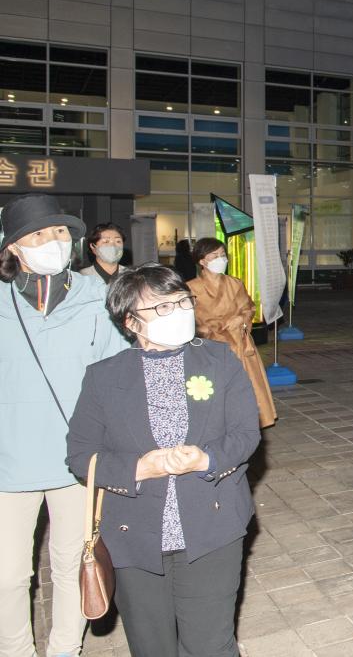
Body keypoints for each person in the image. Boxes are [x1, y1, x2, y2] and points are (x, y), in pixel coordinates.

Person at [66, 263, 260, 657]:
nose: (180, 311)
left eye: (182, 301)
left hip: (212, 528)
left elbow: (245, 434)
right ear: (131, 321)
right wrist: (140, 469)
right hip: (133, 535)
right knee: (151, 646)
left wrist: (206, 458)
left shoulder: (220, 361)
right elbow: (80, 454)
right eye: (163, 307)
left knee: (210, 643)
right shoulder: (104, 377)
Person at [0, 193, 128, 657]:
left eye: (60, 232)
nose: (54, 242)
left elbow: (120, 376)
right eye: (40, 234)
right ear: (15, 247)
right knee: (9, 574)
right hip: (9, 463)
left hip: (79, 461)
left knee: (75, 562)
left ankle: (64, 649)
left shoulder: (98, 298)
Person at [187, 238, 277, 428]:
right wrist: (204, 329)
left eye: (222, 255)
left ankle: (245, 422)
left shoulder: (235, 283)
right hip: (208, 346)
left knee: (244, 387)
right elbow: (188, 319)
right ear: (202, 261)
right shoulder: (190, 288)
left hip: (237, 341)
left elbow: (249, 308)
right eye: (214, 256)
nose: (220, 259)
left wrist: (242, 319)